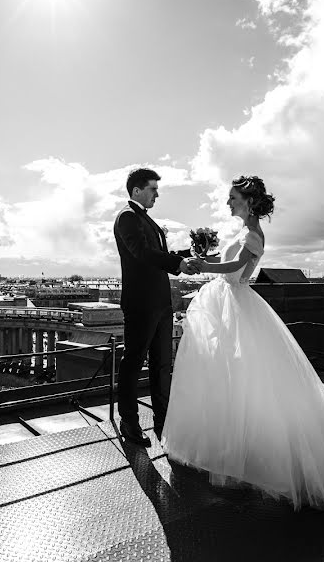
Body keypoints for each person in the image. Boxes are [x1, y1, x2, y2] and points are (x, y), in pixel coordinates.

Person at [162, 176, 324, 510]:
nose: (228, 203)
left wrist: (201, 265)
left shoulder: (253, 234)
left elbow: (235, 268)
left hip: (235, 305)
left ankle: (246, 452)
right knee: (229, 378)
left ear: (248, 202)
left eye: (232, 198)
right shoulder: (245, 232)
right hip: (228, 303)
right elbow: (229, 266)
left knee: (242, 378)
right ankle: (233, 447)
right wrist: (205, 263)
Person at [113, 168, 200, 447]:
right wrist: (178, 264)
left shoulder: (145, 220)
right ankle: (129, 423)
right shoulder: (127, 218)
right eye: (153, 189)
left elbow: (159, 255)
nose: (157, 194)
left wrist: (192, 253)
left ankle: (163, 423)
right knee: (133, 364)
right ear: (136, 190)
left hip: (161, 304)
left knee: (163, 366)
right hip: (141, 304)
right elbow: (142, 253)